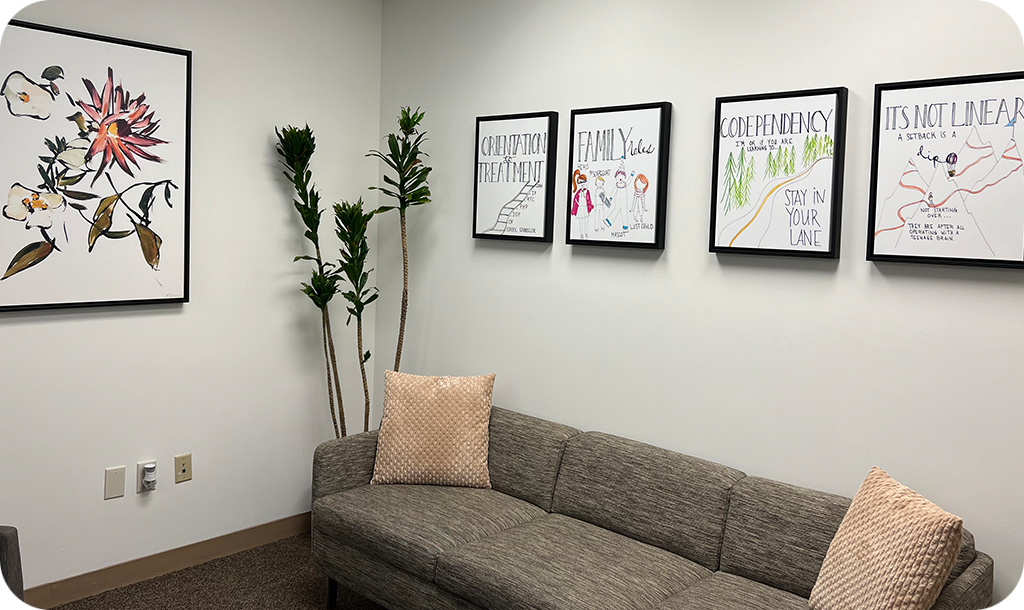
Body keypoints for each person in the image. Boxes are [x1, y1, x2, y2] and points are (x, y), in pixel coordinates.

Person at [571, 169, 594, 239]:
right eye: (580, 182)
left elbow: (589, 183)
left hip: (585, 208)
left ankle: (586, 233)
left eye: (584, 182)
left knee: (586, 222)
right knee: (581, 222)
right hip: (580, 208)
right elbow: (575, 201)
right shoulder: (578, 193)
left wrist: (590, 175)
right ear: (578, 183)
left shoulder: (586, 191)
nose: (582, 184)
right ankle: (581, 234)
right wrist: (578, 203)